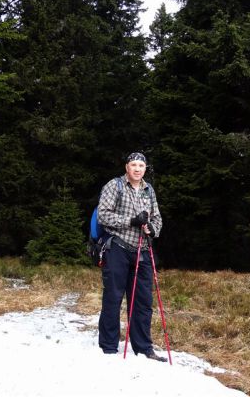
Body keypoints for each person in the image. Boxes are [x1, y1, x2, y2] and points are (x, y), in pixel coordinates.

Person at [96, 152, 166, 362]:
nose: (137, 169)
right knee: (113, 298)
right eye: (133, 165)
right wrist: (131, 221)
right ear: (127, 167)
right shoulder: (114, 185)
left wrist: (152, 229)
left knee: (143, 301)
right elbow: (103, 214)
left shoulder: (148, 190)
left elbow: (157, 217)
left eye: (141, 165)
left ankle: (143, 348)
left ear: (145, 169)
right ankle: (108, 346)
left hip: (142, 250)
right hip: (117, 247)